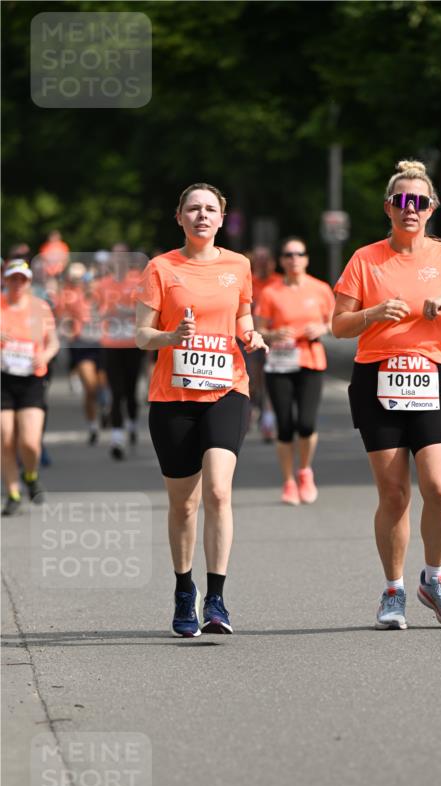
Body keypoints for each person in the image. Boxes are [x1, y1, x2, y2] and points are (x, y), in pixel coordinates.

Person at [332, 159, 441, 629]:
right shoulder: (365, 260)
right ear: (389, 208)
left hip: (433, 379)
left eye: (420, 202)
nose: (411, 209)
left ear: (431, 209)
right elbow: (338, 325)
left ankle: (435, 578)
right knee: (394, 494)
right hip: (378, 380)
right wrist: (371, 314)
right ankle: (393, 592)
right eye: (402, 201)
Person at [135, 183, 267, 637]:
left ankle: (216, 597)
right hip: (173, 398)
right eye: (193, 209)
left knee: (218, 491)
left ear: (222, 217)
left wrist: (251, 335)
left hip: (227, 389)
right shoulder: (161, 268)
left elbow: (243, 317)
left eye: (210, 209)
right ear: (179, 217)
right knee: (184, 505)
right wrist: (172, 338)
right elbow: (140, 334)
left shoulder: (239, 265)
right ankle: (183, 588)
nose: (202, 215)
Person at [256, 237, 334, 504]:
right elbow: (258, 330)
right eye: (288, 255)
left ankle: (305, 471)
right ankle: (288, 481)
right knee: (285, 426)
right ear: (282, 260)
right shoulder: (271, 292)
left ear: (306, 259)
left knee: (307, 423)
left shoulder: (320, 289)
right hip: (279, 364)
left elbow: (337, 322)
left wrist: (323, 329)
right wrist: (274, 333)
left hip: (311, 361)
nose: (294, 259)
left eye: (299, 254)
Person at [1, 260, 59, 515]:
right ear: (5, 280)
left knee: (30, 443)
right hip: (3, 378)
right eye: (12, 278)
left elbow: (53, 342)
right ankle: (13, 492)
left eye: (21, 279)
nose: (17, 283)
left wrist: (45, 356)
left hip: (32, 379)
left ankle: (31, 474)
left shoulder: (40, 308)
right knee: (6, 437)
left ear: (28, 281)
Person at [95, 243, 145, 459]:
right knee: (116, 392)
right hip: (111, 344)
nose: (119, 261)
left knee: (131, 390)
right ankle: (117, 437)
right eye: (116, 257)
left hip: (133, 343)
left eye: (123, 257)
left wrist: (126, 310)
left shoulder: (137, 280)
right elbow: (94, 311)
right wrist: (104, 315)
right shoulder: (103, 284)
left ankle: (132, 424)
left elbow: (146, 307)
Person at [55, 261, 104, 444]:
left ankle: (105, 408)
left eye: (93, 279)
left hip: (105, 346)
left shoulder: (106, 297)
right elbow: (62, 319)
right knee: (90, 388)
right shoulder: (72, 298)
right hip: (82, 345)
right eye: (86, 279)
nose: (90, 282)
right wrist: (69, 329)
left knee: (103, 387)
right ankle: (93, 426)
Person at [248, 246, 280, 442]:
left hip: (273, 339)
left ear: (272, 262)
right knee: (253, 379)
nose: (262, 263)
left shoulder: (278, 282)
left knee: (269, 379)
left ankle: (267, 420)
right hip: (249, 338)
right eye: (259, 259)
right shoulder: (247, 281)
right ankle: (254, 409)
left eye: (266, 259)